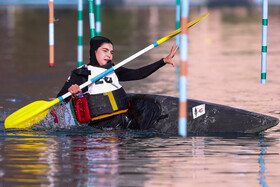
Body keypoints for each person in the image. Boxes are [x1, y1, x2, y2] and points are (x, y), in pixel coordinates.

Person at [57, 36, 178, 130]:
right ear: (94, 52)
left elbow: (139, 74)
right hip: (99, 129)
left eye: (111, 52)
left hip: (124, 123)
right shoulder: (82, 73)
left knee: (147, 106)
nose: (109, 56)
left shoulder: (114, 70)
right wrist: (74, 93)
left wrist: (163, 61)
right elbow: (60, 101)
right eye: (105, 51)